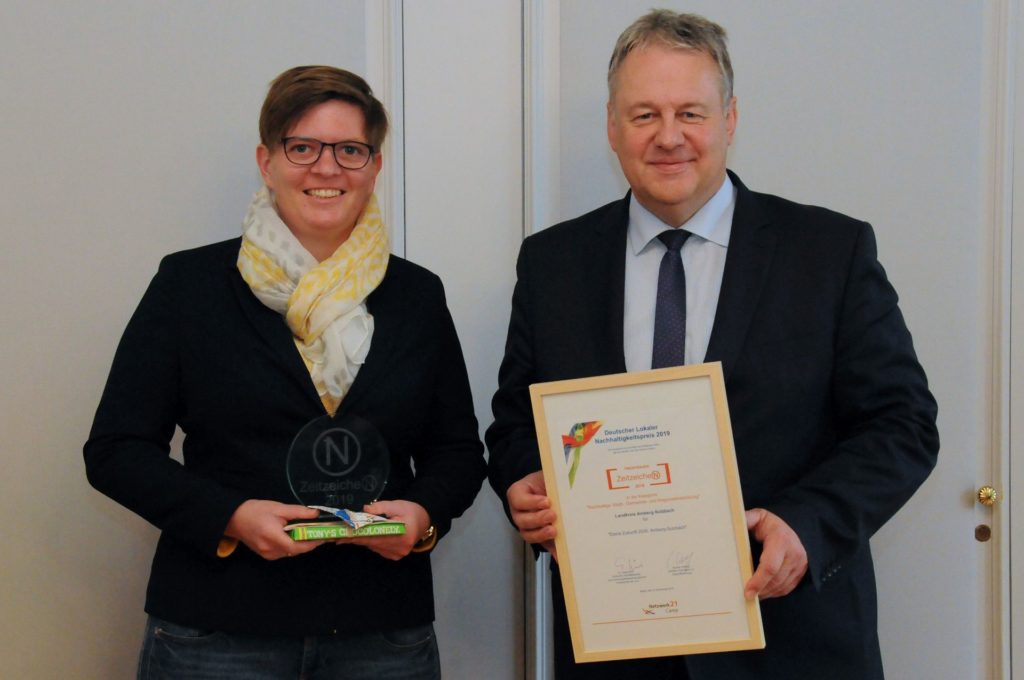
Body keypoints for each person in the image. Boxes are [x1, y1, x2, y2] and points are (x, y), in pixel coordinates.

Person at [486, 10, 938, 680]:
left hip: (793, 646)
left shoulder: (828, 252)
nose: (668, 137)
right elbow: (517, 421)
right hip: (616, 650)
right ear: (613, 127)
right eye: (643, 115)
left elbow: (903, 426)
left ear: (729, 119)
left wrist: (808, 526)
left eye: (690, 113)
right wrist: (522, 480)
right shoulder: (554, 264)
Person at [84, 65, 486, 679]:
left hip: (380, 634)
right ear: (266, 161)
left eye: (350, 150)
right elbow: (115, 450)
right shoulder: (189, 287)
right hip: (216, 631)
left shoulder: (417, 295)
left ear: (375, 166)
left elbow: (456, 450)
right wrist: (230, 516)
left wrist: (424, 515)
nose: (327, 169)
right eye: (302, 147)